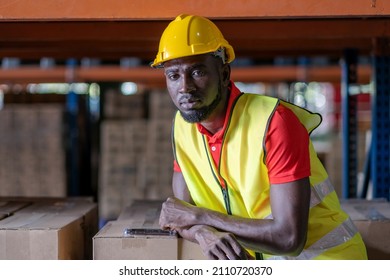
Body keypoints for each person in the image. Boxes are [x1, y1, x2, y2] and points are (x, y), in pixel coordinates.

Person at [152, 14, 367, 260]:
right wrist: (202, 232)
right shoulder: (182, 128)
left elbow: (289, 239)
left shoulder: (274, 122)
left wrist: (201, 218)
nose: (185, 87)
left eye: (198, 72)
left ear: (224, 74)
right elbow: (181, 215)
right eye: (174, 76)